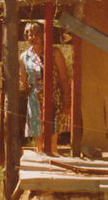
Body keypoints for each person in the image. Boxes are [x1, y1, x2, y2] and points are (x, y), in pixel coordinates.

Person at [19, 21, 70, 153]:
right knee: (38, 135)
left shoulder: (54, 52)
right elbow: (23, 82)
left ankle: (53, 158)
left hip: (54, 97)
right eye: (29, 35)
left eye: (36, 34)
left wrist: (67, 100)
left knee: (52, 135)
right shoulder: (24, 57)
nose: (33, 38)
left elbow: (64, 78)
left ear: (42, 35)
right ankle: (41, 159)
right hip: (34, 99)